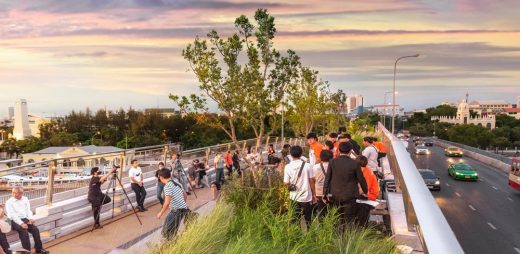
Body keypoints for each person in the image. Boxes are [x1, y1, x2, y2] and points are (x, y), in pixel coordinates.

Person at [324, 142, 368, 230]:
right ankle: (346, 239)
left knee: (337, 217)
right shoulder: (354, 163)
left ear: (339, 150)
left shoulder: (332, 162)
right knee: (349, 219)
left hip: (335, 195)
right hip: (350, 196)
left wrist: (325, 194)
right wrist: (365, 190)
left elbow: (327, 178)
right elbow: (361, 179)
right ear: (350, 151)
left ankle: (337, 236)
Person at [6, 187, 48, 254]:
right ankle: (27, 252)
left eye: (16, 193)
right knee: (24, 232)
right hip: (12, 220)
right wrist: (21, 223)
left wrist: (30, 218)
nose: (14, 194)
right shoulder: (9, 202)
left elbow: (28, 210)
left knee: (35, 229)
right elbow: (12, 215)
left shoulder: (25, 199)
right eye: (13, 192)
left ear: (21, 193)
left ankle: (39, 249)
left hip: (24, 218)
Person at [283, 146, 316, 226]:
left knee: (295, 220)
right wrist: (314, 194)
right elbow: (312, 181)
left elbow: (286, 182)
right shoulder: (308, 166)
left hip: (294, 197)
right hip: (306, 197)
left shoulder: (287, 167)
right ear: (301, 154)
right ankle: (309, 235)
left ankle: (297, 236)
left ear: (290, 155)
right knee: (308, 219)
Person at [156, 168, 190, 240]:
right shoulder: (178, 184)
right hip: (183, 209)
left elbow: (167, 202)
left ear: (161, 177)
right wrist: (182, 204)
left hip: (176, 211)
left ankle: (172, 245)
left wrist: (160, 213)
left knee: (166, 231)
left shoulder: (167, 186)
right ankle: (174, 243)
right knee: (173, 230)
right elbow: (185, 195)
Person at [354, 156, 380, 227]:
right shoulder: (366, 170)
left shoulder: (366, 173)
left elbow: (363, 191)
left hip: (369, 197)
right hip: (366, 196)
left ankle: (360, 228)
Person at [312, 150, 333, 216]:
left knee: (321, 211)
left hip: (319, 193)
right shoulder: (334, 167)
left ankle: (321, 225)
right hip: (330, 193)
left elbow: (313, 180)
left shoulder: (315, 167)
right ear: (331, 157)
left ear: (321, 158)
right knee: (332, 211)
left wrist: (313, 194)